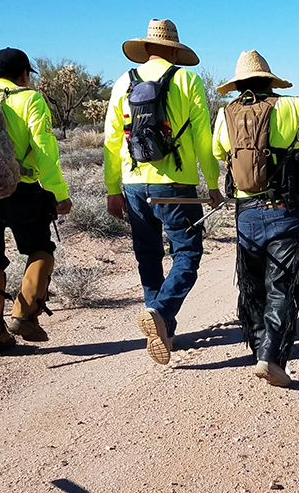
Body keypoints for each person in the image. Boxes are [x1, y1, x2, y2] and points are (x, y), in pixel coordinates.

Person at [211, 50, 299, 387]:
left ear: (239, 84)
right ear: (270, 81)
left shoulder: (224, 114)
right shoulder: (289, 106)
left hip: (246, 213)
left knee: (252, 285)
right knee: (282, 286)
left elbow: (218, 153)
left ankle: (259, 347)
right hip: (284, 210)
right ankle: (271, 356)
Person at [103, 19, 223, 365]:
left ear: (146, 48)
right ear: (174, 49)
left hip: (133, 183)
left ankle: (162, 327)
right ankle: (161, 311)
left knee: (148, 255)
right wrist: (212, 183)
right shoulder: (186, 79)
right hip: (176, 184)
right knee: (187, 251)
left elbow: (112, 140)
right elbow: (202, 137)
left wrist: (113, 188)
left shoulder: (123, 82)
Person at [0, 48, 72, 356]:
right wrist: (59, 194)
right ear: (25, 74)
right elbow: (45, 151)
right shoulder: (30, 99)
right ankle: (25, 314)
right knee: (40, 247)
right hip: (19, 190)